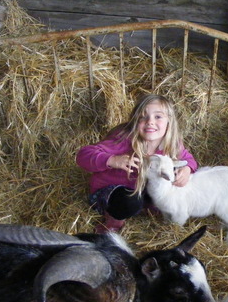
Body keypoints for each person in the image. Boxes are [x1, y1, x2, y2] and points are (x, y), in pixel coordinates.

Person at [76, 94, 197, 233]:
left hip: (145, 193)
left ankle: (146, 209)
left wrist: (187, 169)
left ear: (169, 121)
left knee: (171, 191)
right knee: (130, 201)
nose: (150, 121)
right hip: (114, 195)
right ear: (135, 121)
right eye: (143, 117)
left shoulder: (172, 145)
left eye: (158, 117)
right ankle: (114, 220)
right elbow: (83, 155)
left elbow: (190, 160)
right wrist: (113, 160)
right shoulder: (124, 139)